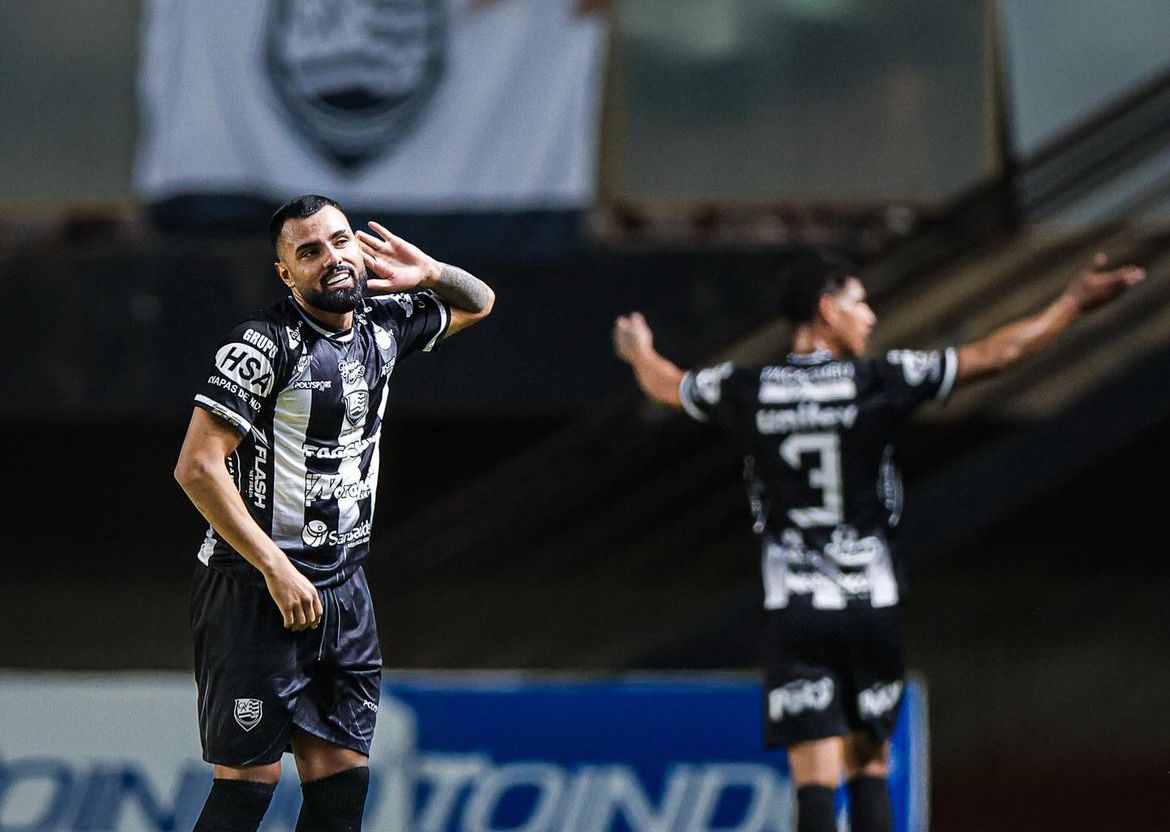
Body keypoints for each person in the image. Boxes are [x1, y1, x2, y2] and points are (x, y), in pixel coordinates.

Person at [611, 251, 1143, 832]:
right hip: (870, 605)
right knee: (869, 762)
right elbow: (998, 355)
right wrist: (1071, 303)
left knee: (814, 779)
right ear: (826, 308)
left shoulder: (747, 388)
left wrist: (638, 350)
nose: (869, 317)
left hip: (796, 608)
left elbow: (667, 386)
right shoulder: (879, 381)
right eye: (859, 302)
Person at [174, 194, 494, 831]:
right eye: (310, 252)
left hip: (343, 590)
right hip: (256, 589)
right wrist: (274, 568)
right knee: (248, 787)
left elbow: (479, 302)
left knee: (342, 782)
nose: (333, 259)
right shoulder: (262, 345)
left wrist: (428, 271)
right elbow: (196, 466)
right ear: (286, 274)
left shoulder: (382, 324)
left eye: (340, 240)